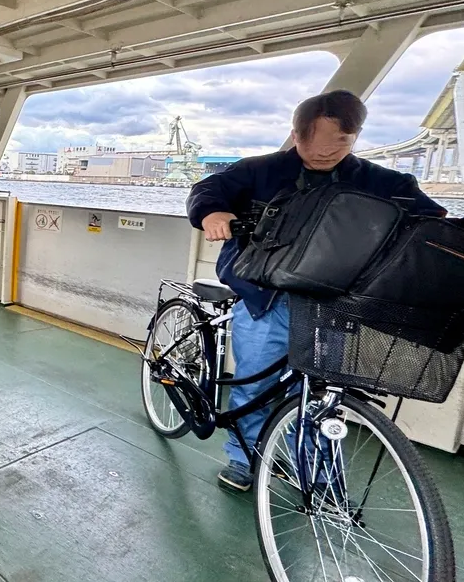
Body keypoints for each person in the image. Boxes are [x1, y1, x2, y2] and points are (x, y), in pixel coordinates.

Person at [187, 90, 445, 492]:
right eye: (314, 142)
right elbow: (207, 190)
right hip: (265, 301)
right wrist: (212, 212)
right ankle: (245, 460)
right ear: (295, 134)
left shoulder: (385, 183)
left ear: (355, 136)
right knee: (252, 386)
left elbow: (432, 223)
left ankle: (314, 470)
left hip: (334, 307)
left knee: (322, 395)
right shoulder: (257, 171)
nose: (325, 152)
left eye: (340, 142)